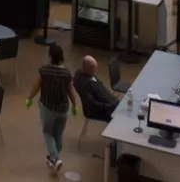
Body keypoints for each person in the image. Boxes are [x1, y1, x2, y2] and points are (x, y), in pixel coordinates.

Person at [29, 42, 80, 176]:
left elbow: (36, 86)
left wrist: (29, 98)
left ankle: (55, 158)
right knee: (58, 135)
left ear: (50, 56)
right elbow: (70, 91)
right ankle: (53, 160)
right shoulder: (66, 73)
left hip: (48, 107)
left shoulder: (44, 70)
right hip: (63, 109)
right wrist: (74, 106)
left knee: (47, 132)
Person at [75, 55, 122, 120]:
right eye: (93, 70)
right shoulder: (83, 84)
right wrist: (111, 106)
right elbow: (92, 104)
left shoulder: (84, 72)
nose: (95, 72)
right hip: (103, 110)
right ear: (87, 69)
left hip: (110, 101)